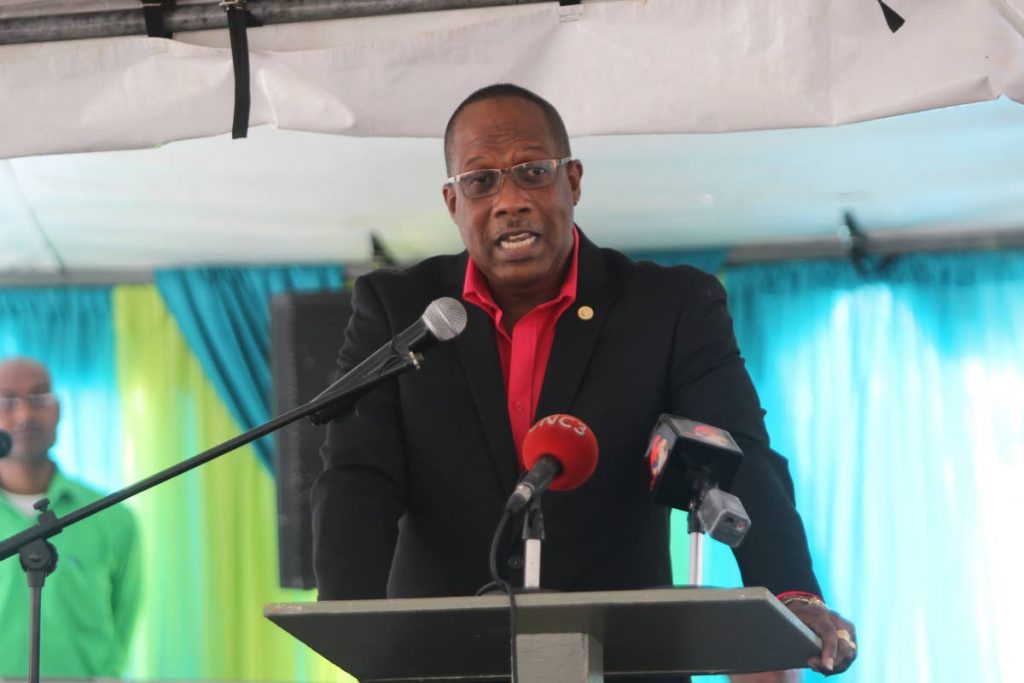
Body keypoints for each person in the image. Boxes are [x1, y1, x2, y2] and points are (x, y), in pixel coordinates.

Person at [311, 84, 857, 678]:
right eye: (481, 180)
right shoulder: (400, 311)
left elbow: (739, 455)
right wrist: (351, 624)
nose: (510, 200)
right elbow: (357, 478)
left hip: (621, 659)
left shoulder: (670, 306)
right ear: (452, 201)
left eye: (533, 171)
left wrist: (792, 594)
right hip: (445, 662)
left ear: (572, 181)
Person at [0, 357, 140, 678]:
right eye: (7, 401)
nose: (24, 414)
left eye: (38, 399)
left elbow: (125, 616)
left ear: (58, 411)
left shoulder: (111, 516)